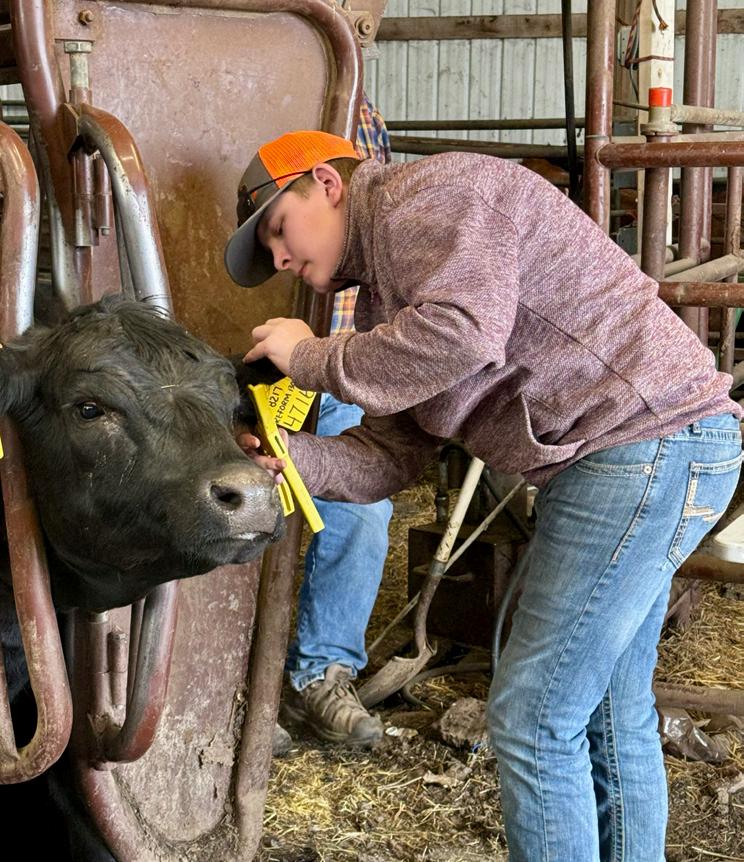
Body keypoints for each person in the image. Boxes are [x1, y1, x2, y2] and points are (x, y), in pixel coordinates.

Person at [225, 129, 742, 861]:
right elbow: (389, 456)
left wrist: (308, 357)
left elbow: (464, 334)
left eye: (279, 228)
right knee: (608, 709)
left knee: (533, 718)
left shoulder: (429, 196)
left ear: (328, 184)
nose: (280, 258)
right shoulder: (383, 303)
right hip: (636, 452)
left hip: (641, 445)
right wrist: (287, 460)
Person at [257, 98, 393, 751]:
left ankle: (320, 674)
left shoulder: (347, 97)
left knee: (363, 508)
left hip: (343, 357)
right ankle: (233, 683)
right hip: (253, 355)